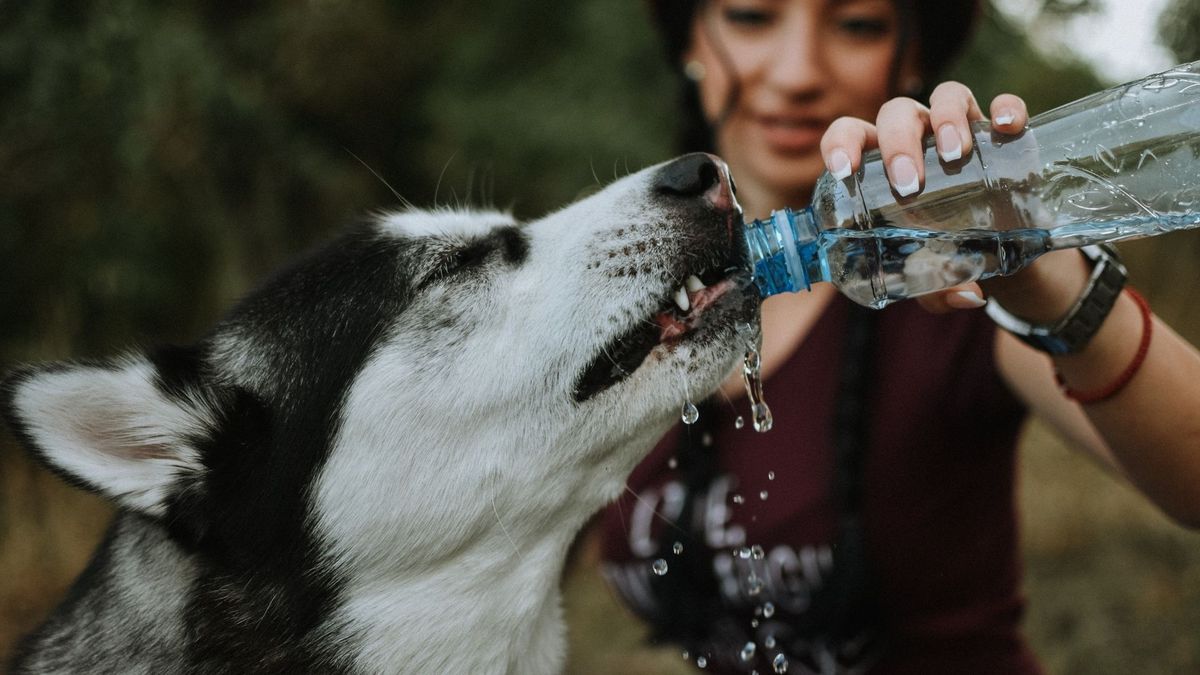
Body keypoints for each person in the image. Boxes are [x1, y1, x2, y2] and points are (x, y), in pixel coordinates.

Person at [594, 1, 1200, 672]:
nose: (797, 73)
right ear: (692, 39)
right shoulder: (614, 301)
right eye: (750, 15)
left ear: (914, 57)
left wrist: (1043, 273)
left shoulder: (951, 292)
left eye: (857, 24)